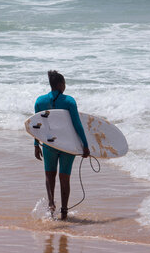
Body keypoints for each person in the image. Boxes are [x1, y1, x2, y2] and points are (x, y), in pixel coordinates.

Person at [34, 70, 90, 220]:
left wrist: (35, 145)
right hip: (67, 145)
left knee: (49, 175)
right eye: (64, 83)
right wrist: (85, 145)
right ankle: (64, 211)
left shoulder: (39, 101)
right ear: (60, 85)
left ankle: (51, 206)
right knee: (64, 178)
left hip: (48, 144)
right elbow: (77, 125)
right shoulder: (69, 101)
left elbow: (36, 126)